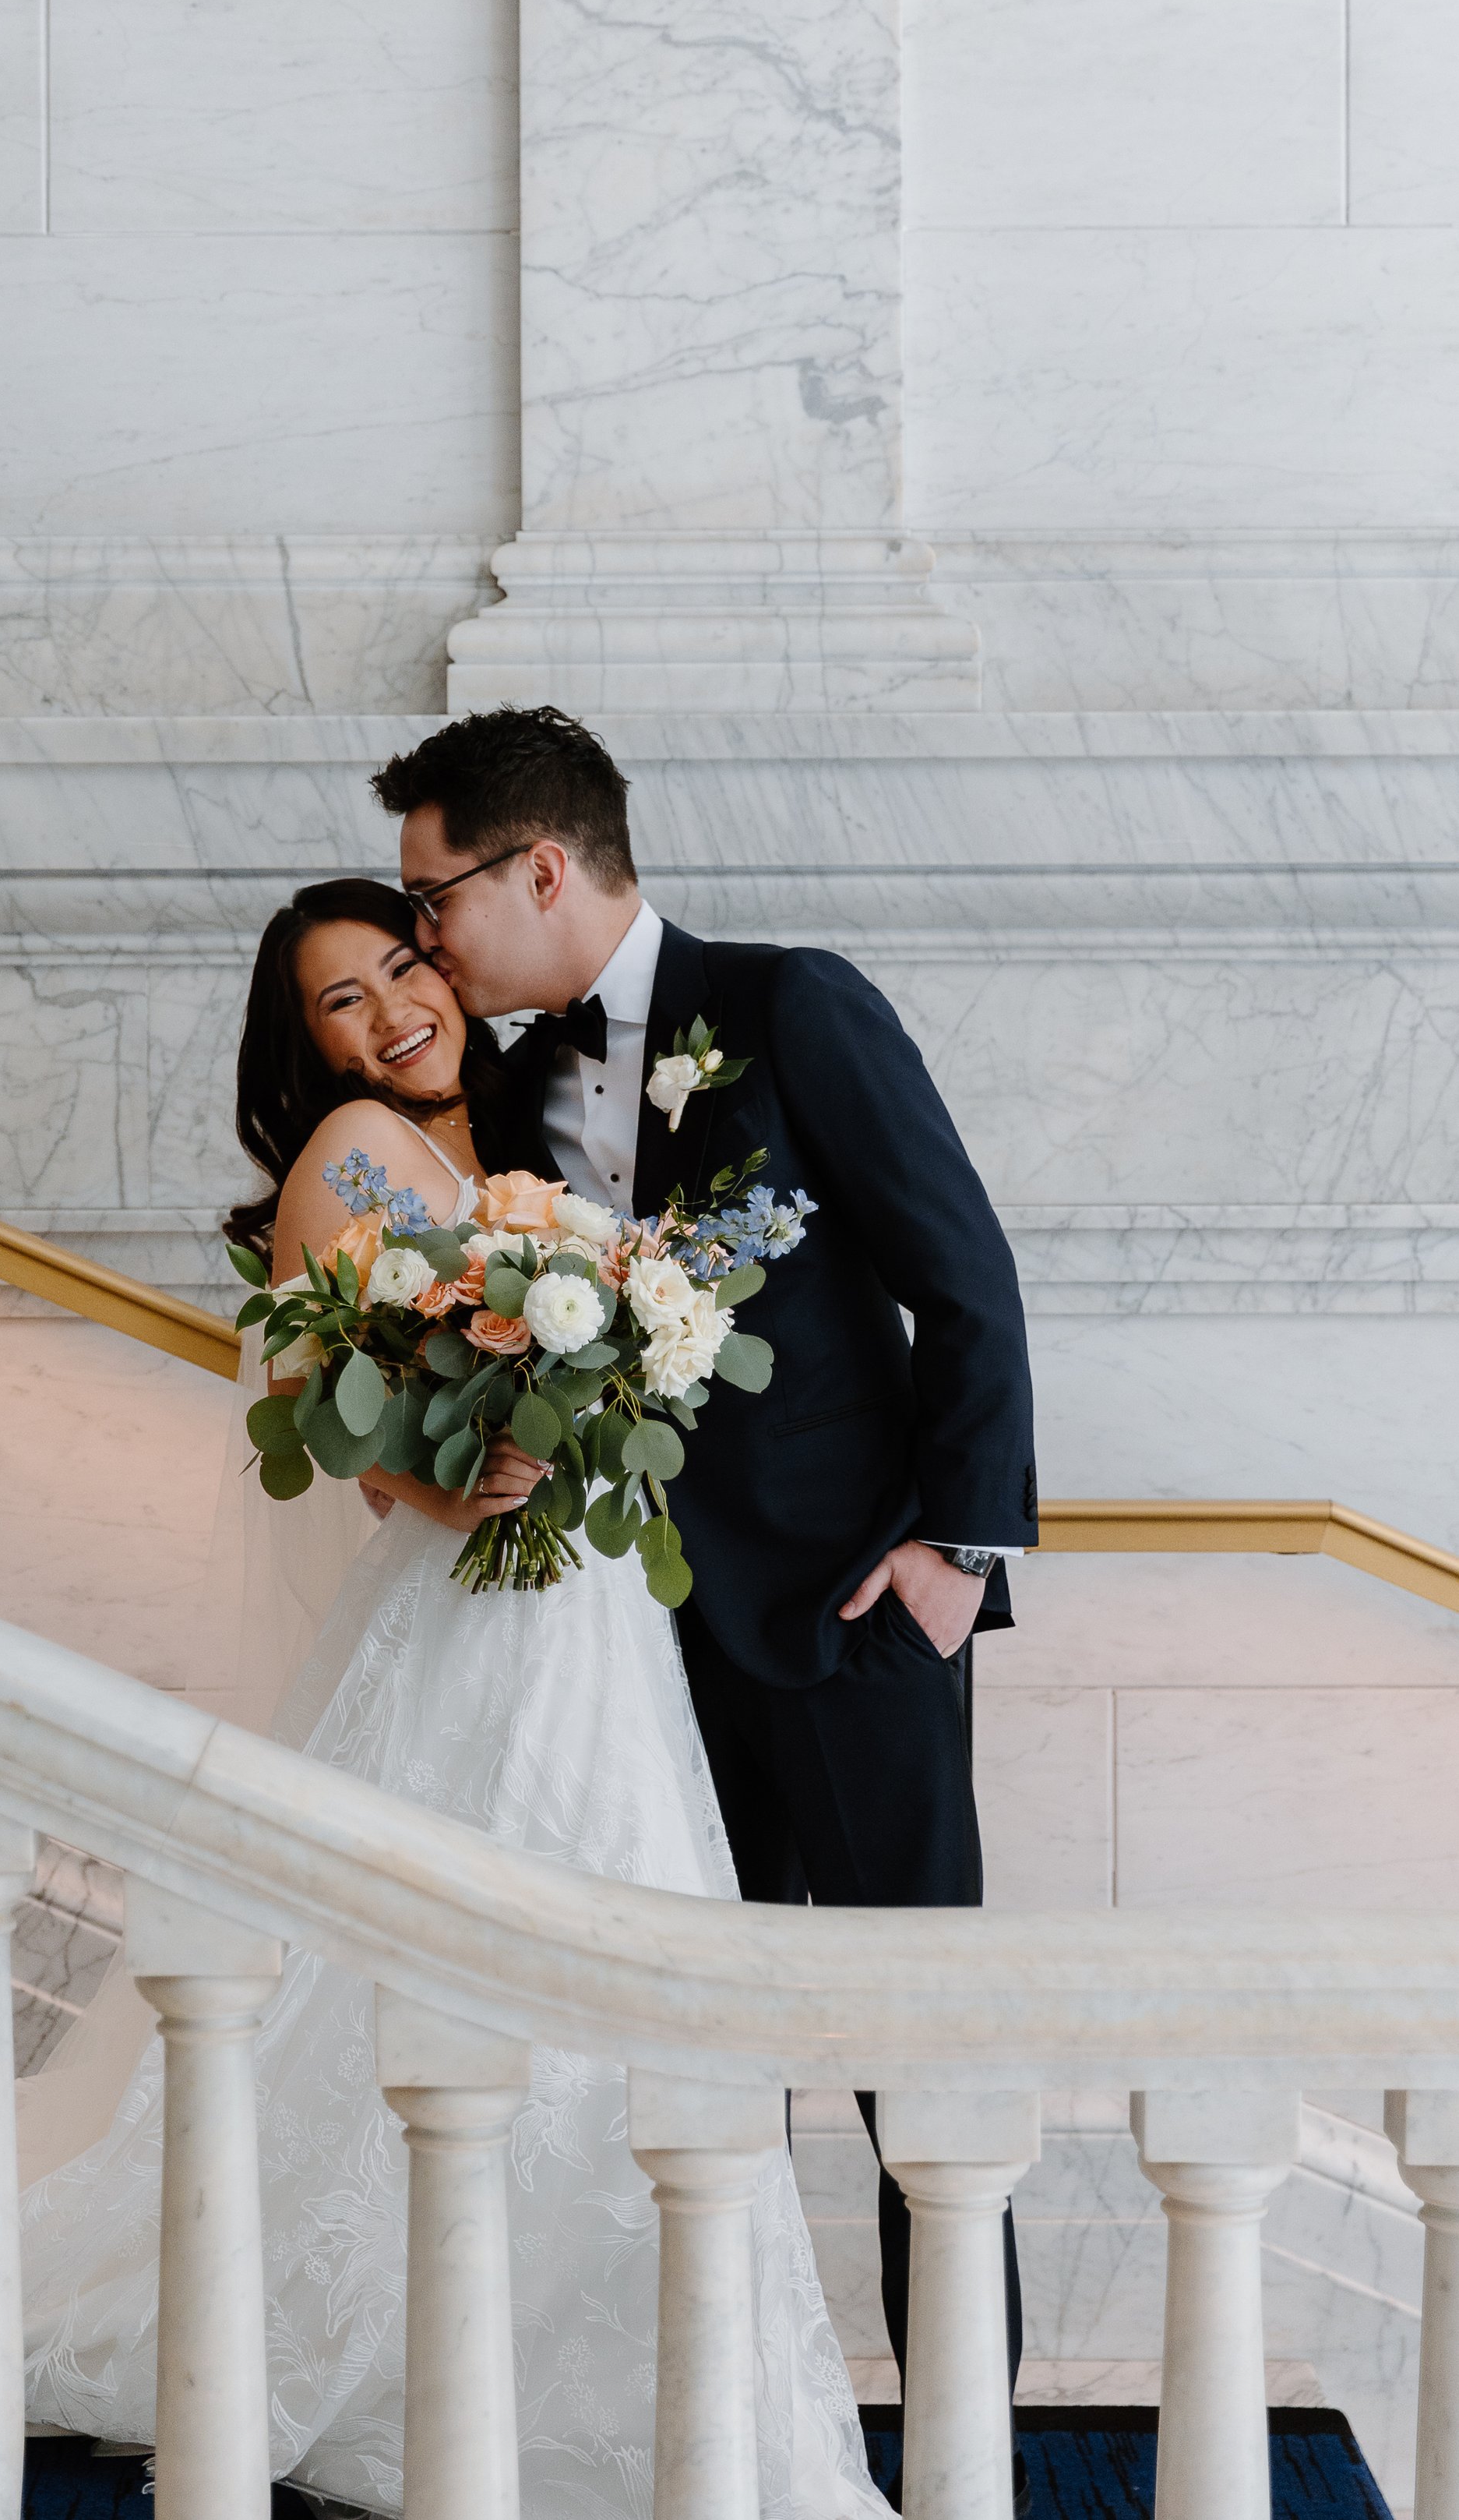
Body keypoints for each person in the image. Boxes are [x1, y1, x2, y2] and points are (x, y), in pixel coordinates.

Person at [0, 874, 885, 2520]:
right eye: (340, 999)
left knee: (611, 1961)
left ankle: (639, 2360)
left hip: (587, 1625)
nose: (392, 1007)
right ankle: (474, 2344)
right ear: (299, 1045)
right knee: (462, 1975)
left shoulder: (509, 1147)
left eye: (403, 964)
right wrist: (460, 1481)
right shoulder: (351, 1160)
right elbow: (347, 1427)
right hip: (473, 1620)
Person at [371, 708, 1039, 2494]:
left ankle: (968, 2462)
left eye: (437, 897)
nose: (425, 939)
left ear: (538, 867)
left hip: (852, 1621)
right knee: (688, 2077)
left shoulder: (793, 1006)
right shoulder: (508, 1095)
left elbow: (961, 1278)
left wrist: (948, 1562)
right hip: (630, 1648)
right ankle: (739, 2448)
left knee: (920, 2066)